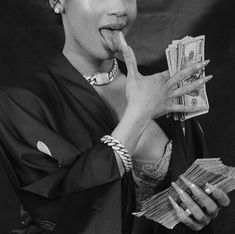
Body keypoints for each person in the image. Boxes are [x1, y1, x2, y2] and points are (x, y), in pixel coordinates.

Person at [0, 0, 231, 233]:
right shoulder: (21, 104)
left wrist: (200, 214)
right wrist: (138, 115)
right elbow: (60, 216)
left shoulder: (160, 86)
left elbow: (194, 185)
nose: (119, 9)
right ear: (58, 2)